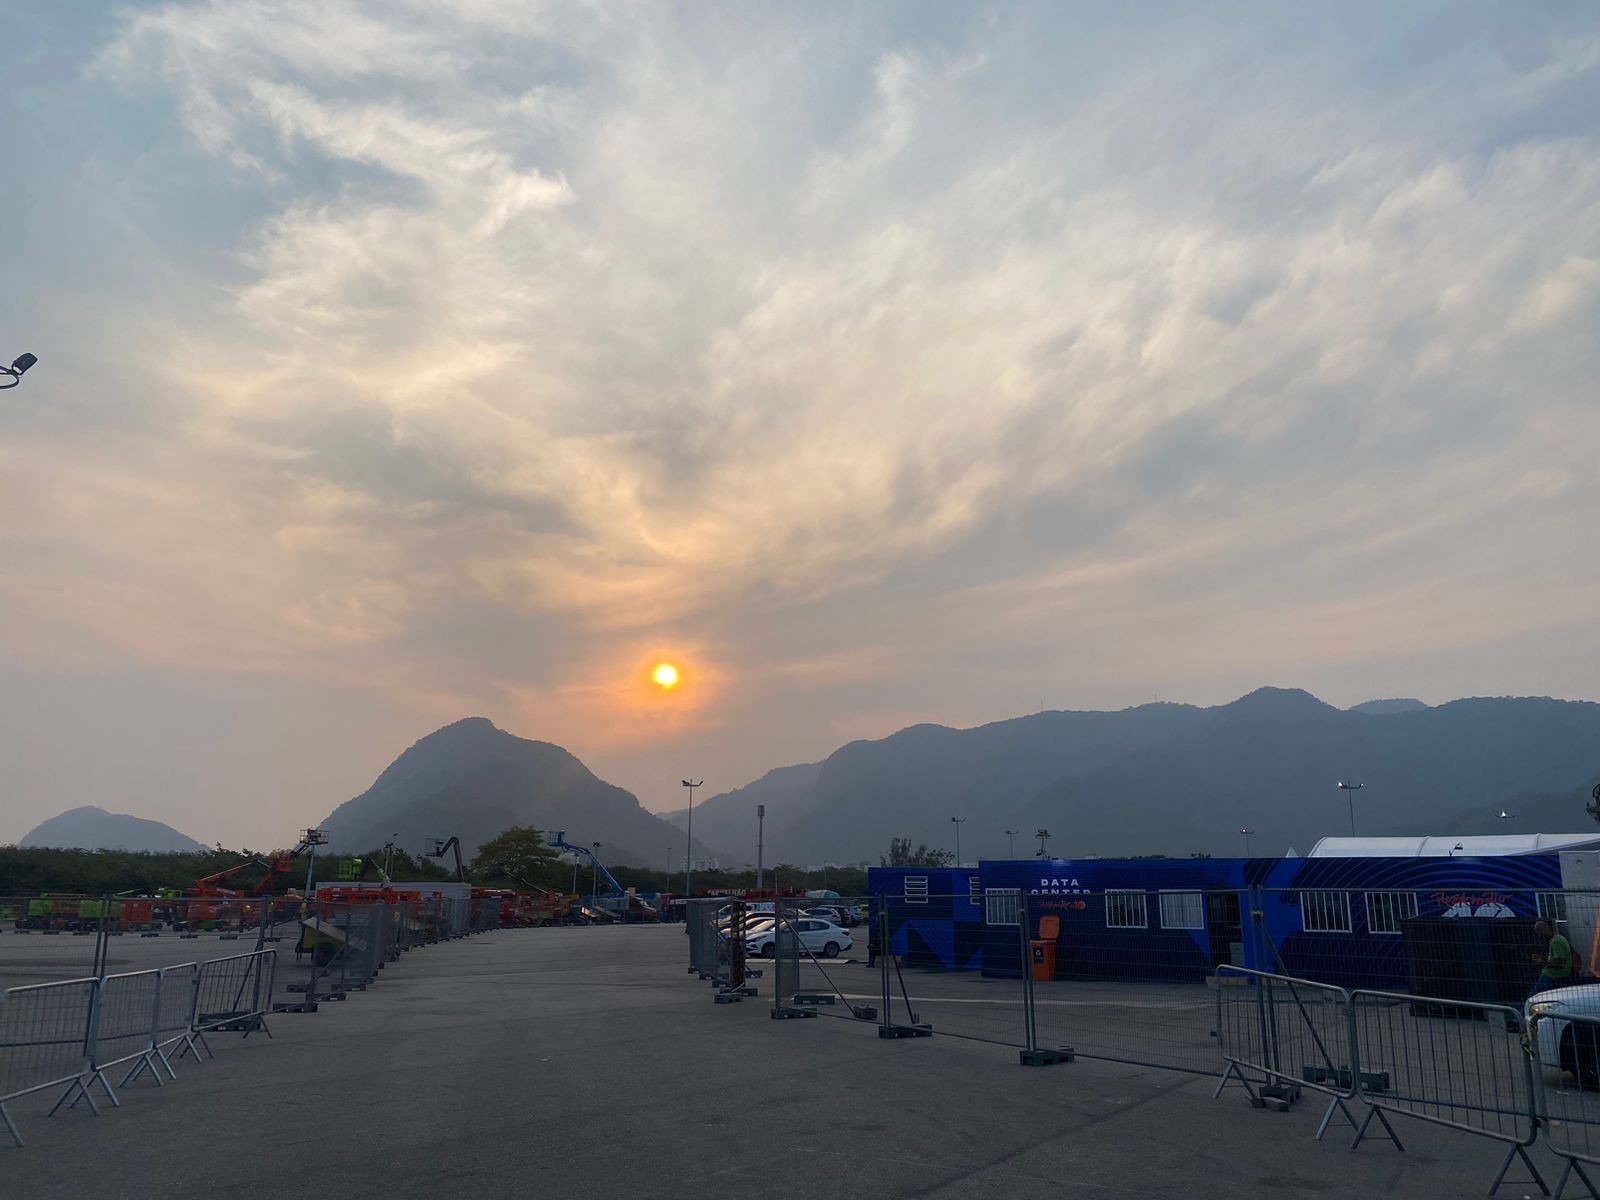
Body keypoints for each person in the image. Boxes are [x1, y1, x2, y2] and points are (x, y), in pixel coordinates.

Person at [1530, 919, 1574, 995]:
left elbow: (1560, 964)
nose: (1540, 936)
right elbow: (1555, 959)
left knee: (1534, 995)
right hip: (1552, 974)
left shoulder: (1556, 941)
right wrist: (1542, 957)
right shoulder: (1556, 939)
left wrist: (1542, 962)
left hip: (1553, 975)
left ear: (1543, 931)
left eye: (1539, 933)